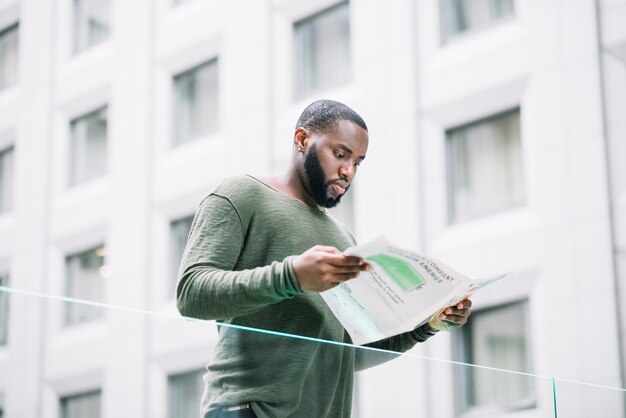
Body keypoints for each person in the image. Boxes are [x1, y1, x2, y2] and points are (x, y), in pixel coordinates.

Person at [176, 99, 472, 418]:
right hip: (247, 410)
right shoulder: (242, 194)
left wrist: (425, 325)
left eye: (358, 162)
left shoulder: (345, 240)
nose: (348, 171)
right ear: (302, 140)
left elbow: (349, 353)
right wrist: (293, 277)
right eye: (340, 154)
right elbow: (191, 295)